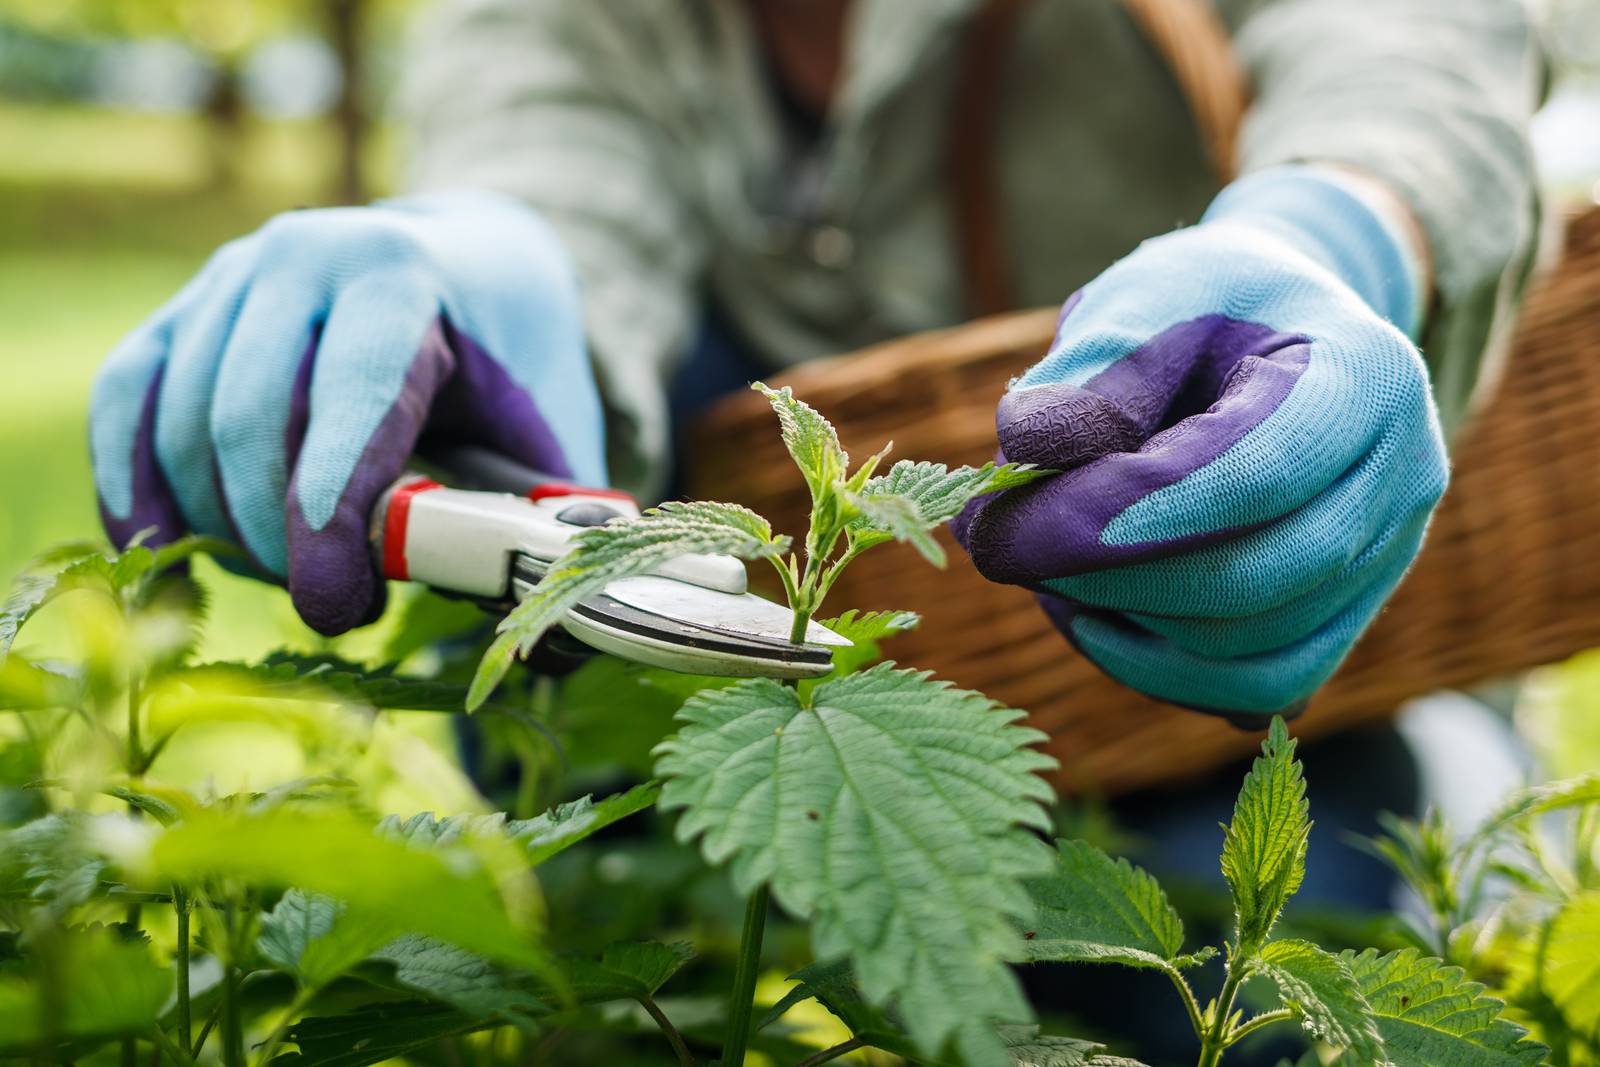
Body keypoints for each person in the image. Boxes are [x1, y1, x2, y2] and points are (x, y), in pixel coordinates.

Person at [90, 0, 1544, 722]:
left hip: (1218, 681)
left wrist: (1337, 227)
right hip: (723, 711)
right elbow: (547, 139)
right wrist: (491, 257)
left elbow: (1411, 48)